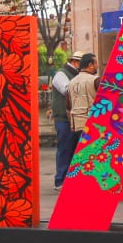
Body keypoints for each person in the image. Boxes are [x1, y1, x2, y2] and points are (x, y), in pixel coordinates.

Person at [50, 52, 84, 189]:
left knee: (74, 149)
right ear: (75, 62)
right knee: (65, 148)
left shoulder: (77, 75)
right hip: (64, 118)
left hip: (76, 117)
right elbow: (67, 90)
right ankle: (60, 180)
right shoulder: (61, 74)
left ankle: (71, 180)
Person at [65, 52, 100, 150]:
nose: (97, 66)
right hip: (93, 125)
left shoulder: (71, 83)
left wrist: (73, 124)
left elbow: (68, 108)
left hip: (77, 127)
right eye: (96, 63)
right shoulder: (95, 80)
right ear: (90, 65)